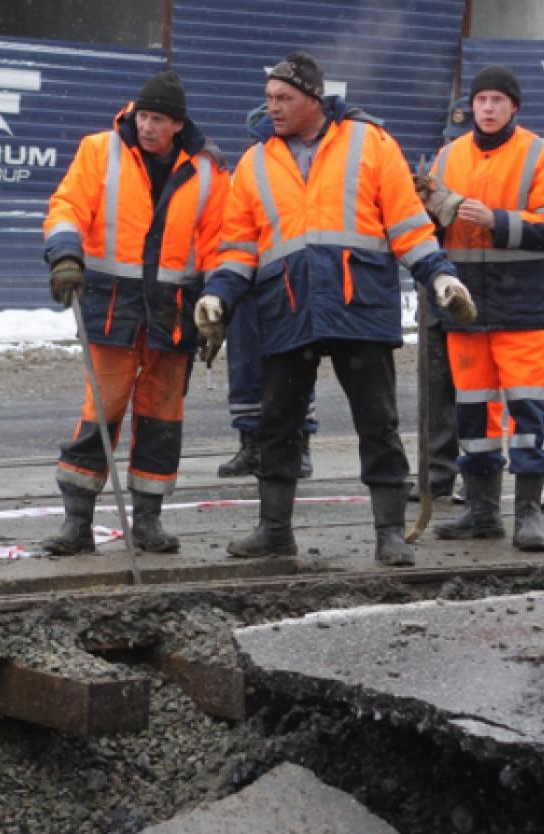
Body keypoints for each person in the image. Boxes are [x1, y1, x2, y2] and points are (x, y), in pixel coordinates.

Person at [194, 52, 472, 566]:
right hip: (288, 305)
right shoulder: (255, 162)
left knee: (377, 421)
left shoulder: (372, 144)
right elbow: (238, 245)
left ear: (313, 100)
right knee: (277, 423)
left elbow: (408, 225)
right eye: (269, 98)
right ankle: (275, 530)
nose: (273, 107)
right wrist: (219, 294)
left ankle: (389, 533)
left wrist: (440, 275)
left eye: (284, 98)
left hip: (357, 304)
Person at [41, 70, 229, 556]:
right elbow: (67, 207)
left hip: (174, 314)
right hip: (113, 309)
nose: (146, 127)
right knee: (100, 413)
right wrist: (65, 255)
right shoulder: (100, 151)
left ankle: (147, 521)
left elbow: (220, 242)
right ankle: (77, 522)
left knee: (162, 418)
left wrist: (219, 300)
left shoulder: (208, 170)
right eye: (143, 116)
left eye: (158, 120)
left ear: (177, 125)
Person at [418, 65, 544, 553]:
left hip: (524, 307)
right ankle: (482, 512)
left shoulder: (541, 156)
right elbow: (430, 230)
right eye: (481, 100)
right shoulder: (449, 157)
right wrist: (428, 210)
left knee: (529, 411)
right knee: (473, 413)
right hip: (467, 309)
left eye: (497, 101)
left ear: (514, 107)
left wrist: (496, 220)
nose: (487, 108)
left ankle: (528, 515)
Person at [218, 105, 318, 482]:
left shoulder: (299, 169)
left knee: (292, 365)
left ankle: (297, 445)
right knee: (246, 365)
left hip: (287, 279)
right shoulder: (251, 168)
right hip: (249, 280)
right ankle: (252, 444)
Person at [413, 98, 475, 504]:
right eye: (449, 140)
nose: (453, 146)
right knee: (435, 396)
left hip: (474, 292)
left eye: (459, 139)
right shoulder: (436, 170)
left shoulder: (486, 172)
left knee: (473, 394)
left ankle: (475, 475)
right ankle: (436, 476)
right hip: (435, 297)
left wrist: (447, 204)